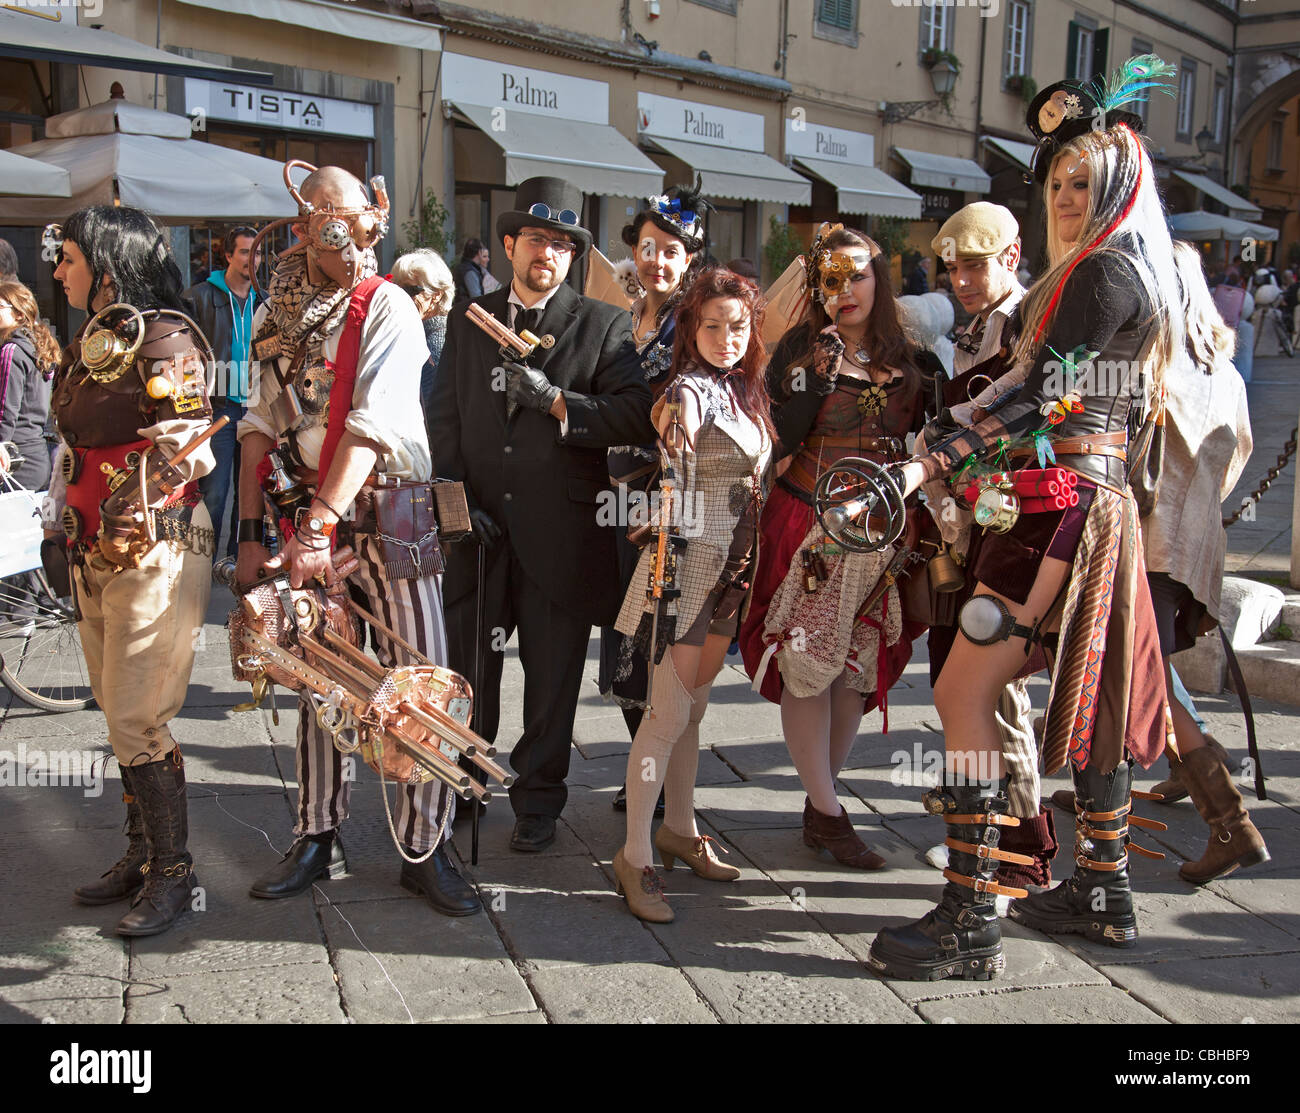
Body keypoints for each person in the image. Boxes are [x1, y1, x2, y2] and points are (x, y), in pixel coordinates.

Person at [868, 58, 1180, 980]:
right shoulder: (1103, 271)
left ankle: (971, 914)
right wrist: (943, 435)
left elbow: (1043, 397)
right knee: (1099, 696)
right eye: (1057, 182)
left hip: (1065, 509)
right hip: (1074, 506)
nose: (1070, 197)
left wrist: (932, 456)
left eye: (1086, 180)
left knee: (966, 691)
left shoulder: (1106, 273)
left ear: (1121, 177)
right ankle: (1103, 889)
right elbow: (1020, 389)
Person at [236, 163, 480, 917]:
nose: (326, 225)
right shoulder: (278, 319)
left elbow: (373, 426)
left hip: (390, 516)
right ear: (301, 224)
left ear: (372, 219)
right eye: (313, 213)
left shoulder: (392, 308)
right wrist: (251, 532)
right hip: (309, 516)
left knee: (417, 680)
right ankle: (317, 833)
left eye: (339, 211)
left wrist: (315, 529)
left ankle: (425, 845)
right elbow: (257, 424)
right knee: (317, 679)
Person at [428, 176, 651, 853]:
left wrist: (556, 400)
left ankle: (539, 800)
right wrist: (455, 507)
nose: (546, 254)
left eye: (560, 244)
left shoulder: (602, 324)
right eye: (534, 240)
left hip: (562, 533)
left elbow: (634, 413)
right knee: (472, 669)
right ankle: (464, 776)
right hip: (481, 532)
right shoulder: (470, 318)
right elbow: (444, 419)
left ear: (572, 256)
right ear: (506, 245)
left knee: (552, 678)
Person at [1053, 241, 1270, 883]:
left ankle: (1226, 817)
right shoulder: (1224, 372)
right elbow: (1237, 459)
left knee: (1130, 671)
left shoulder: (1145, 363)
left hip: (1137, 540)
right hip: (1193, 544)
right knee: (1130, 671)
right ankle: (1118, 784)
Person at [738, 224, 937, 869]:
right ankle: (828, 811)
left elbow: (935, 440)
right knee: (808, 666)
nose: (844, 290)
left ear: (880, 280)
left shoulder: (912, 358)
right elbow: (773, 445)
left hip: (882, 536)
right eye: (829, 279)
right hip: (808, 529)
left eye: (857, 276)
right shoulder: (801, 357)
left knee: (854, 673)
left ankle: (819, 800)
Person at [47, 207, 217, 936]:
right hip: (93, 547)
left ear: (107, 265)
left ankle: (176, 874)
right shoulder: (93, 339)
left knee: (134, 713)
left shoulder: (164, 335)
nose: (59, 269)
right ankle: (143, 853)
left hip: (158, 545)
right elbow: (72, 440)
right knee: (116, 707)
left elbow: (196, 443)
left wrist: (140, 494)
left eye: (70, 257)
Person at [610, 267, 773, 922]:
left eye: (738, 325)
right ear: (691, 328)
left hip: (731, 573)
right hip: (684, 568)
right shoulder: (686, 393)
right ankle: (634, 854)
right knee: (666, 716)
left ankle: (678, 827)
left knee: (694, 712)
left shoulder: (741, 392)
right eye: (713, 325)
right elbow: (674, 467)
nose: (727, 337)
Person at [924, 202, 1060, 902]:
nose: (961, 279)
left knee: (997, 694)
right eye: (953, 267)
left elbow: (1032, 415)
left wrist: (948, 435)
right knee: (958, 686)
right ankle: (975, 836)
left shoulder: (1029, 324)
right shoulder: (974, 329)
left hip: (1021, 531)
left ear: (1009, 258)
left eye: (974, 264)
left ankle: (1018, 848)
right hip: (970, 528)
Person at [600, 181, 709, 813]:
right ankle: (647, 770)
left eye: (671, 252)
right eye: (648, 248)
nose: (657, 262)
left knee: (660, 639)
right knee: (623, 639)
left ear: (688, 260)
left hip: (668, 502)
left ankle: (665, 778)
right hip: (613, 498)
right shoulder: (619, 316)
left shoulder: (696, 325)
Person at [185, 225, 262, 560]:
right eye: (245, 252)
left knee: (250, 491)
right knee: (213, 492)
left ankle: (236, 560)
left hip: (258, 408)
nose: (252, 259)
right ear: (228, 256)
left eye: (257, 252)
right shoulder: (200, 296)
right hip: (218, 407)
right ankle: (202, 563)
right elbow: (186, 355)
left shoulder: (268, 299)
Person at [0, 279, 59, 635]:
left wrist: (0, 445)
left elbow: (6, 408)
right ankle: (41, 607)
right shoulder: (40, 346)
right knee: (31, 534)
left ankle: (21, 614)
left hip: (16, 451)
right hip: (38, 449)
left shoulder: (10, 351)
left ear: (18, 312)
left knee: (13, 536)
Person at [391, 248, 454, 409]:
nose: (401, 296)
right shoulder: (415, 333)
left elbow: (433, 410)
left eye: (411, 290)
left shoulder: (437, 342)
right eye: (396, 289)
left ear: (437, 294)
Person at [452, 238, 491, 307]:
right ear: (479, 252)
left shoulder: (464, 268)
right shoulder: (470, 272)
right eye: (484, 256)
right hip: (466, 313)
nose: (488, 259)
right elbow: (476, 298)